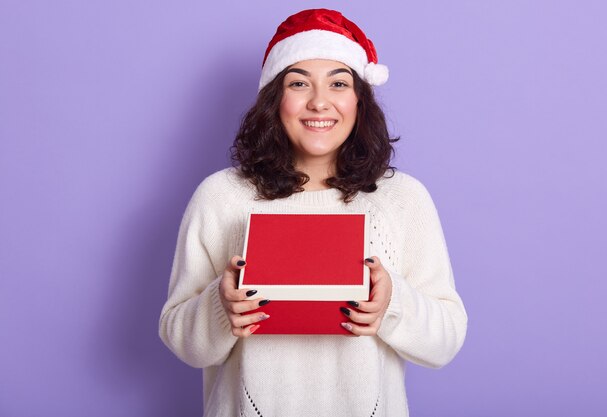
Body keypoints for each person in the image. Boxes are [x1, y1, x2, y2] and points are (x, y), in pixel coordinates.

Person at [159, 8, 468, 417]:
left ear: (359, 99)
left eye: (338, 83)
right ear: (275, 98)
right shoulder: (222, 196)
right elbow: (180, 337)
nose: (319, 101)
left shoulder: (403, 199)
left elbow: (445, 340)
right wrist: (220, 305)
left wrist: (392, 302)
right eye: (299, 83)